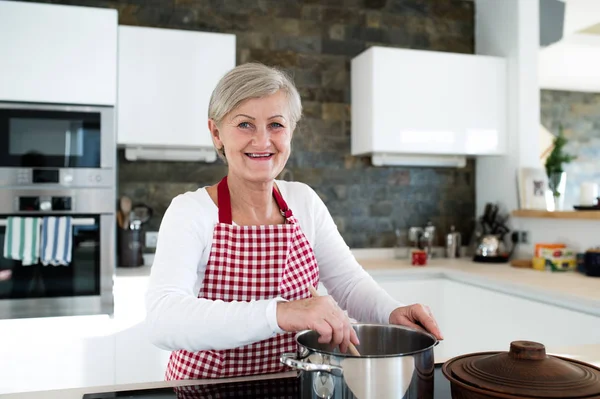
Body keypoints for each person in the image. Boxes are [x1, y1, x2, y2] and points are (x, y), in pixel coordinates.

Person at [145, 62, 443, 381]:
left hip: (294, 385)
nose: (262, 141)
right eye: (245, 124)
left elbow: (348, 283)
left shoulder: (303, 201)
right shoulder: (192, 211)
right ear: (216, 133)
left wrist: (391, 312)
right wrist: (284, 312)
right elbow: (164, 320)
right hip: (207, 388)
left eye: (276, 125)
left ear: (291, 131)